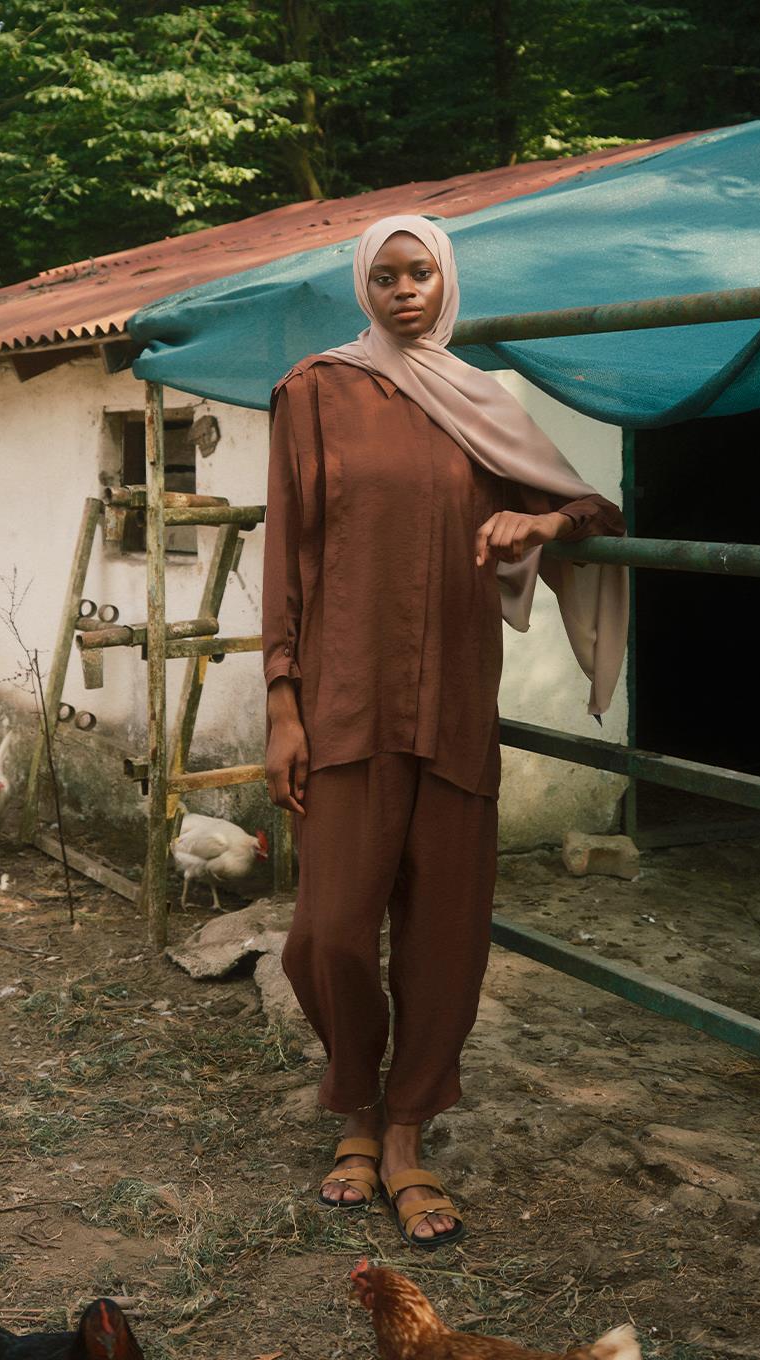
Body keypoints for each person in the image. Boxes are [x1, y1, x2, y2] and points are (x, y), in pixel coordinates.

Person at [262, 214, 627, 1249]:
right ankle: (356, 1099)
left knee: (445, 937)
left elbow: (594, 511)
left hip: (456, 702)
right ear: (360, 285)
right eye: (385, 274)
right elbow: (285, 554)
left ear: (446, 281)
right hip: (343, 704)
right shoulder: (313, 392)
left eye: (421, 272)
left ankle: (405, 1131)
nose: (404, 289)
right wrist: (282, 702)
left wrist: (538, 524)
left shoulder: (477, 402)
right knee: (323, 937)